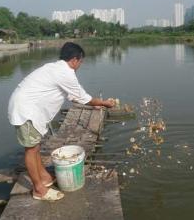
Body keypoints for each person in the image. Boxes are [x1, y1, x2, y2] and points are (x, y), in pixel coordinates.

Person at [8, 42, 115, 201]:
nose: (80, 64)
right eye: (80, 61)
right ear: (74, 60)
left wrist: (96, 102)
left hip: (29, 109)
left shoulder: (55, 68)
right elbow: (82, 97)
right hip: (26, 111)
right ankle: (39, 189)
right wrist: (104, 103)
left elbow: (73, 96)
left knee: (35, 146)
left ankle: (44, 177)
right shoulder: (65, 73)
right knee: (31, 149)